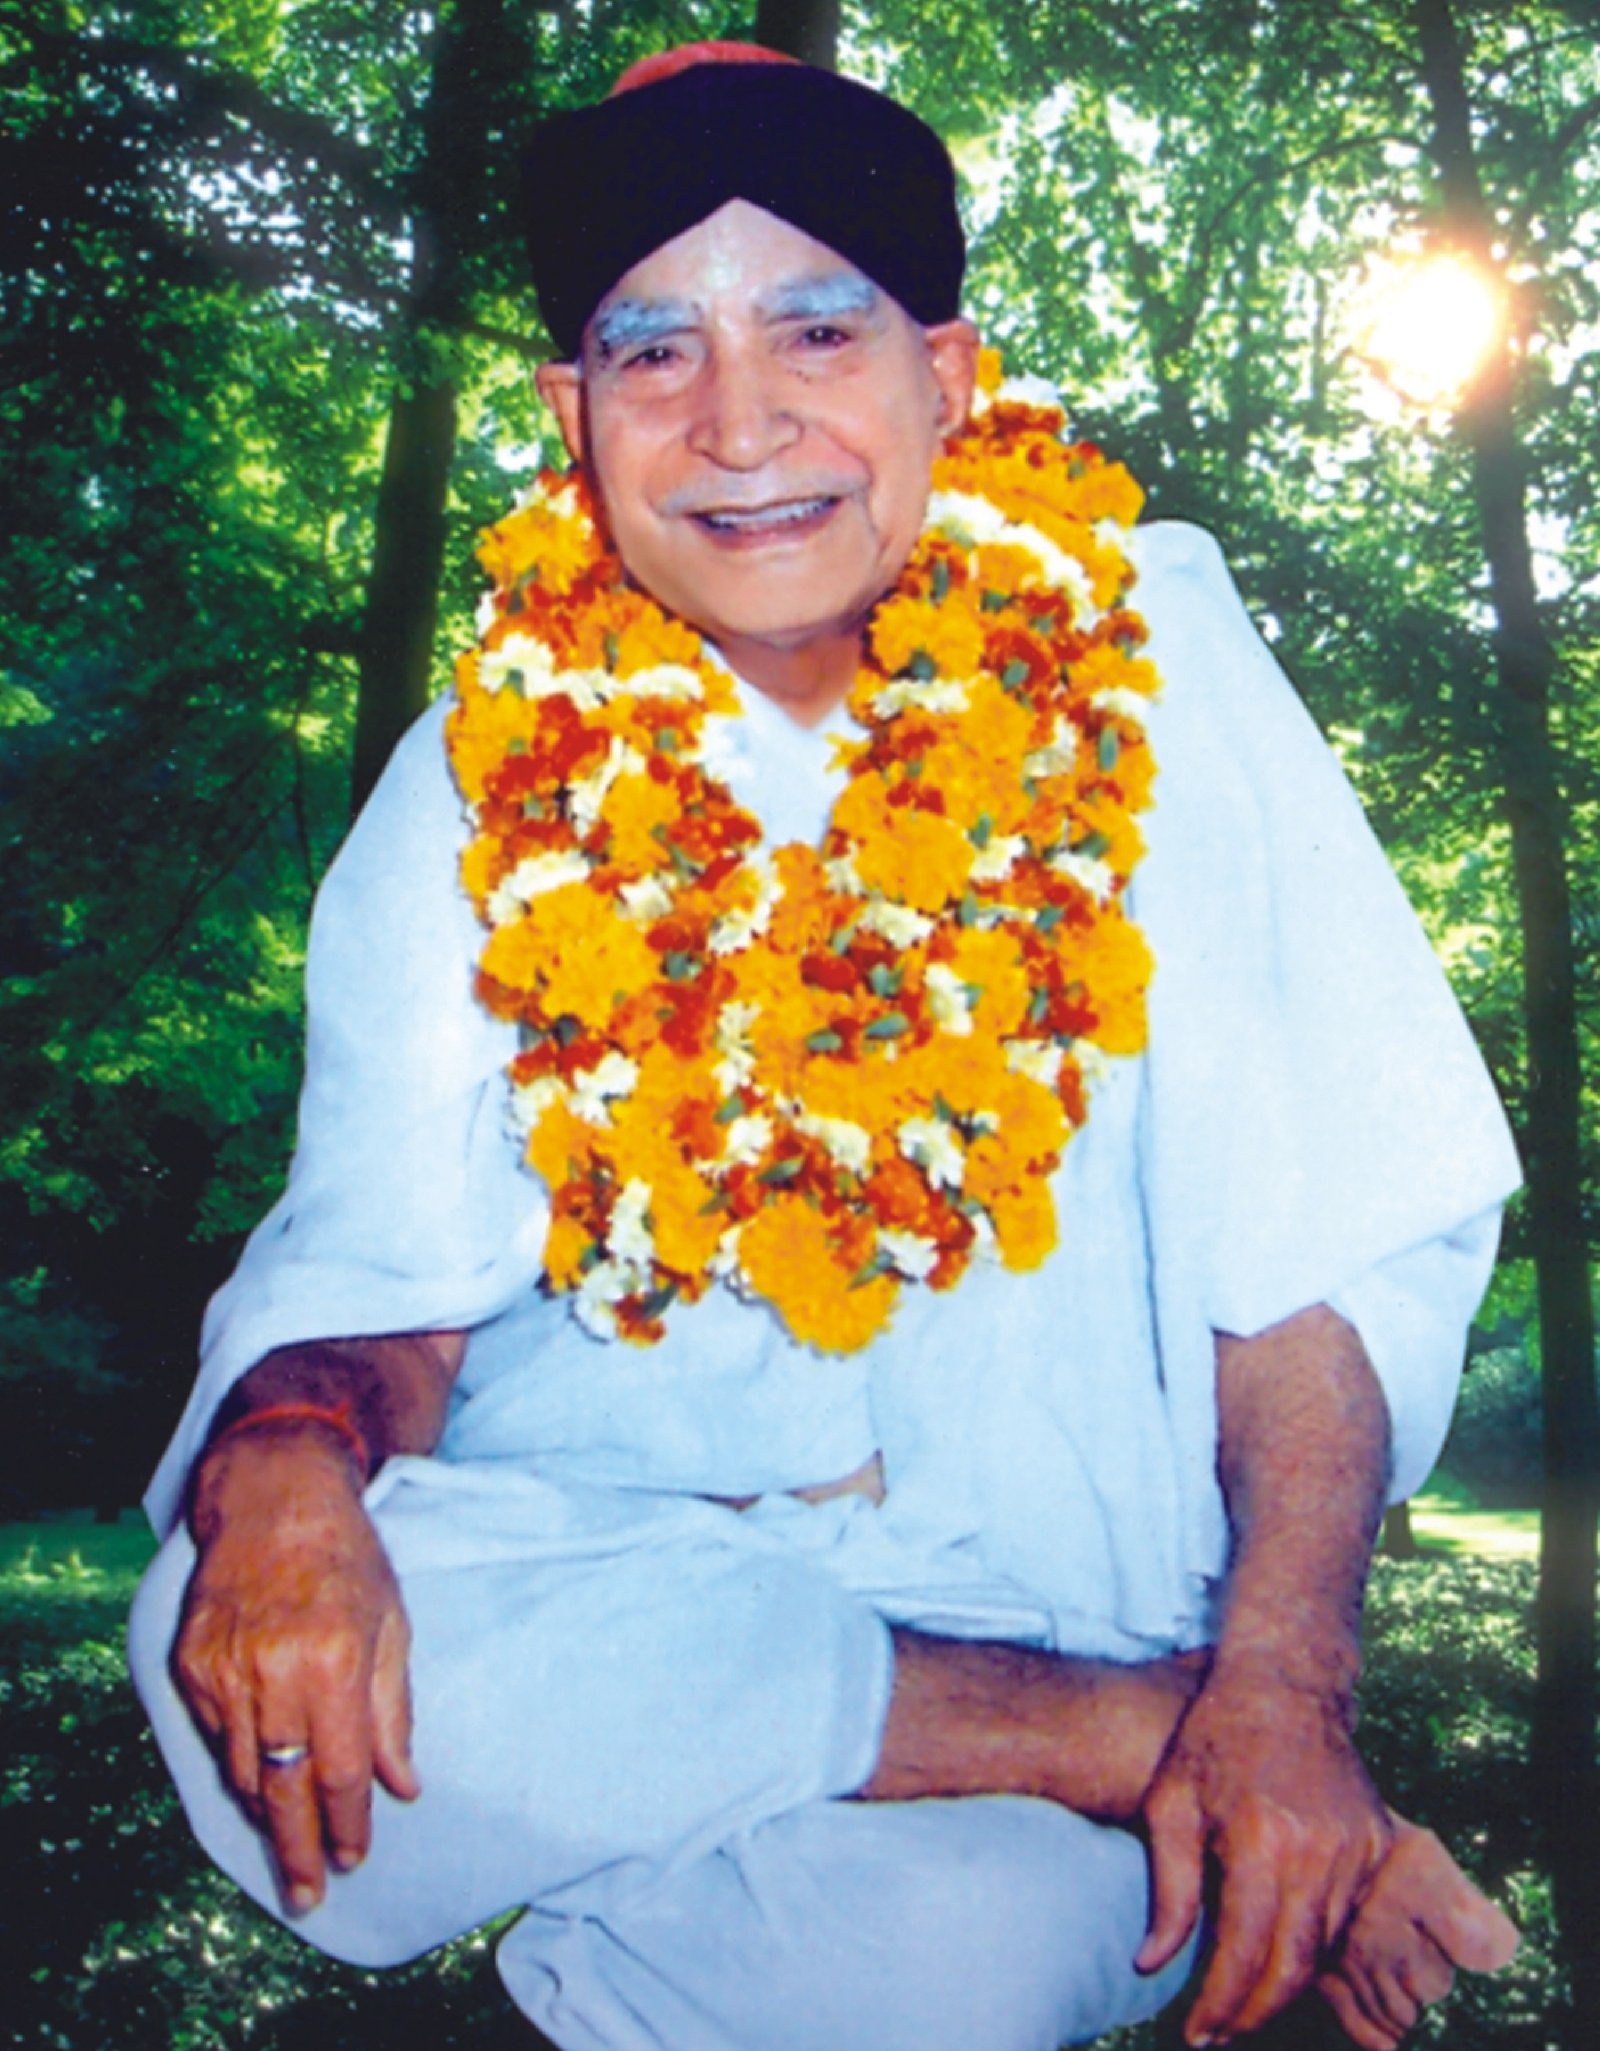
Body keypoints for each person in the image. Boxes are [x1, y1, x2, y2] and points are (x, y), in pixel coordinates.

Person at [130, 43, 1523, 2051]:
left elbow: (1314, 1249)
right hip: (632, 1581)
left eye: (814, 328)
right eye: (653, 351)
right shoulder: (480, 774)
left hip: (1051, 1585)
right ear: (572, 417)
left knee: (939, 1966)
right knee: (216, 1618)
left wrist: (1284, 1687)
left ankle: (1078, 1755)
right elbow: (388, 1292)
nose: (739, 423)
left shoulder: (1147, 663)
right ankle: (1127, 1753)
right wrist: (279, 1470)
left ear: (944, 378)